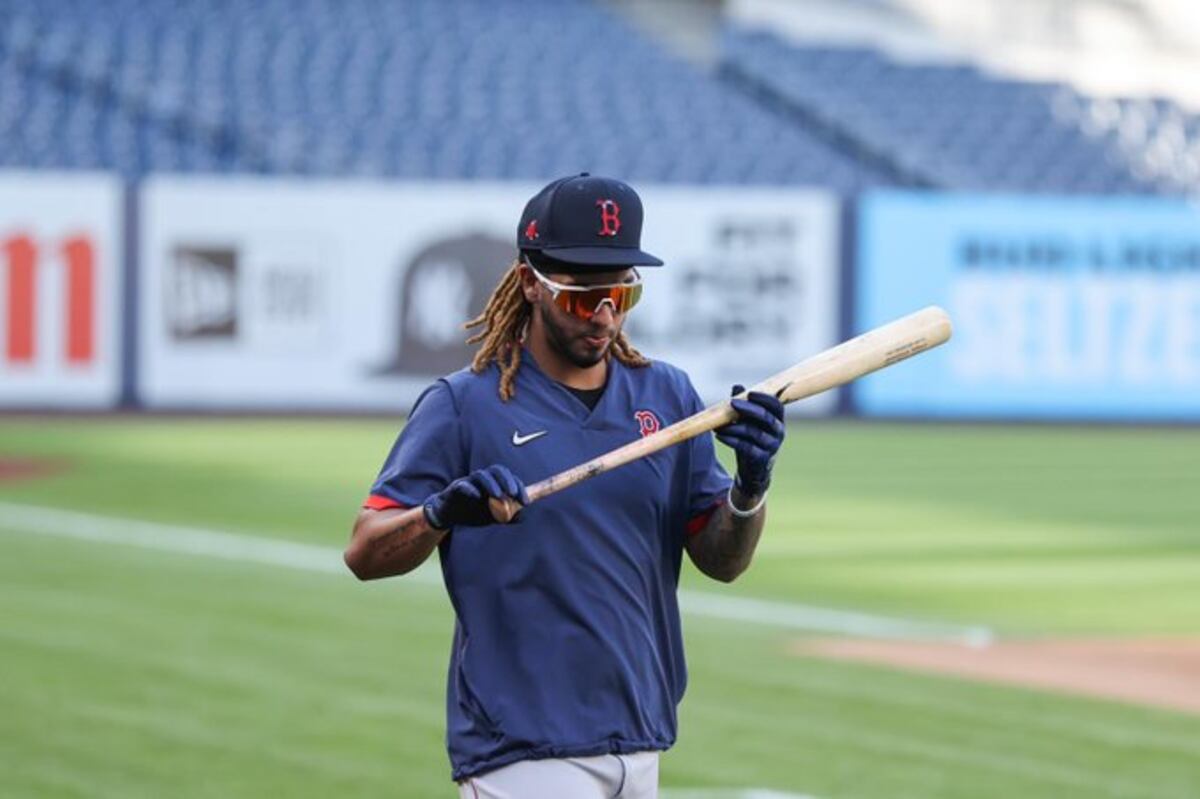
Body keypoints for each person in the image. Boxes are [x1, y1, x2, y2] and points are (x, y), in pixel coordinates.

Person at [344, 173, 786, 798]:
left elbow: (722, 561)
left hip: (641, 735)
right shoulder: (461, 405)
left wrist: (750, 488)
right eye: (583, 297)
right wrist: (440, 513)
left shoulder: (669, 395)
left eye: (620, 295)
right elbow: (364, 551)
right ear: (530, 282)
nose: (603, 316)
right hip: (521, 748)